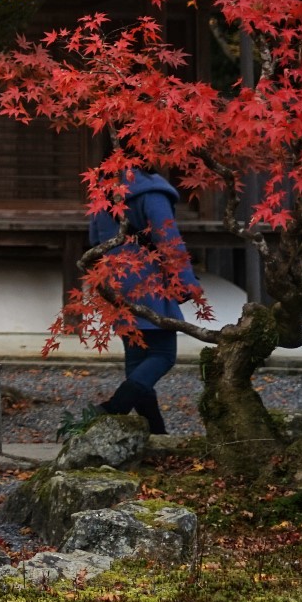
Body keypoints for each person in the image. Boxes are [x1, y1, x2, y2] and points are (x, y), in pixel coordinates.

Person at [89, 167, 203, 434]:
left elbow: (95, 240)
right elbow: (169, 242)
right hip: (149, 284)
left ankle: (156, 433)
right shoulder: (152, 192)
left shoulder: (103, 192)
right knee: (163, 355)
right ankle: (115, 405)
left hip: (116, 281)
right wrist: (187, 284)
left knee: (137, 359)